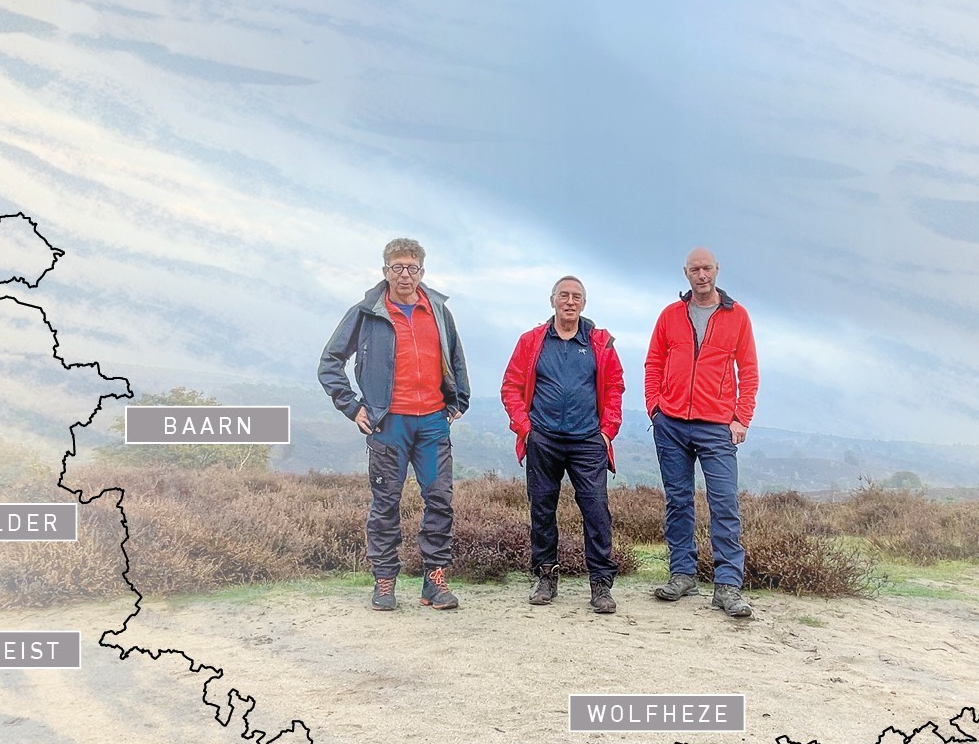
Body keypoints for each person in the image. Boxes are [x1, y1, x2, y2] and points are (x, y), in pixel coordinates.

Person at [317, 238, 472, 611]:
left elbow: (455, 355)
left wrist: (459, 400)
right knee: (386, 503)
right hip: (389, 426)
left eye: (412, 268)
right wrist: (353, 407)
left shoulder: (437, 310)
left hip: (433, 425)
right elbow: (330, 362)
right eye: (397, 267)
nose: (405, 274)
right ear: (385, 271)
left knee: (440, 500)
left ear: (422, 271)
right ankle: (384, 582)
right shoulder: (366, 312)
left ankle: (434, 582)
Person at [644, 247, 760, 618]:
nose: (701, 275)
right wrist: (655, 407)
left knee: (724, 503)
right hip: (672, 423)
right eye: (695, 269)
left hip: (717, 426)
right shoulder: (670, 315)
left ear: (717, 270)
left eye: (707, 268)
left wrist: (741, 418)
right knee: (678, 501)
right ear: (685, 273)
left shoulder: (738, 316)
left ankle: (727, 586)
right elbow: (653, 362)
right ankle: (682, 574)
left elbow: (750, 370)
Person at [499, 276, 625, 614]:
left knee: (596, 511)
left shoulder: (600, 341)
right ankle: (545, 577)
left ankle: (600, 584)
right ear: (552, 300)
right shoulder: (532, 340)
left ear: (584, 304)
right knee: (542, 509)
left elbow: (615, 388)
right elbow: (511, 386)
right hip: (543, 438)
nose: (570, 302)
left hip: (587, 440)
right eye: (564, 296)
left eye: (577, 297)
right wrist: (525, 429)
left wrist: (606, 432)